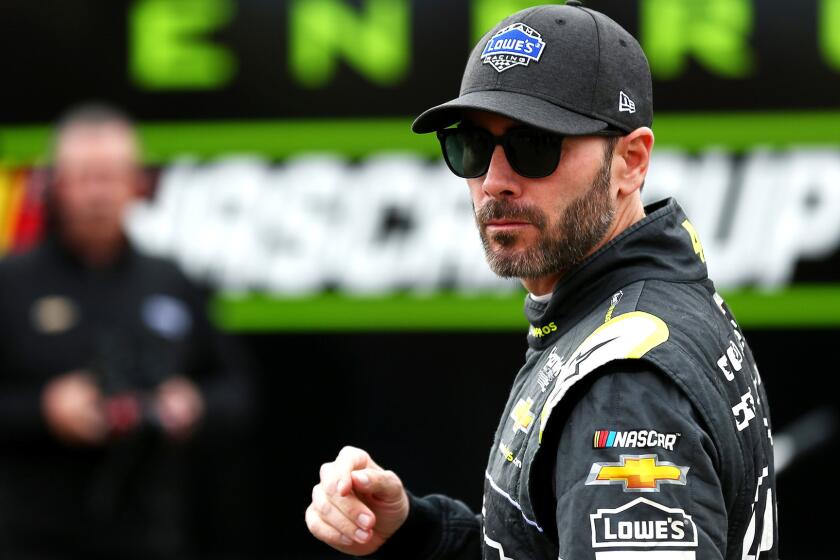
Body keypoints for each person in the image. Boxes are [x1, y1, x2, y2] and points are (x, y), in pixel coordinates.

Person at [306, 3, 778, 559]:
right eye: (473, 146)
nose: (495, 181)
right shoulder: (645, 301)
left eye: (535, 145)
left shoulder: (623, 384)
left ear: (631, 160)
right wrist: (421, 532)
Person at [0, 104, 251, 559]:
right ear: (56, 185)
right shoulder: (10, 283)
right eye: (85, 176)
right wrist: (45, 409)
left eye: (111, 176)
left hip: (151, 532)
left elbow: (236, 392)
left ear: (138, 183)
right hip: (32, 535)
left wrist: (190, 405)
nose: (98, 193)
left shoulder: (172, 280)